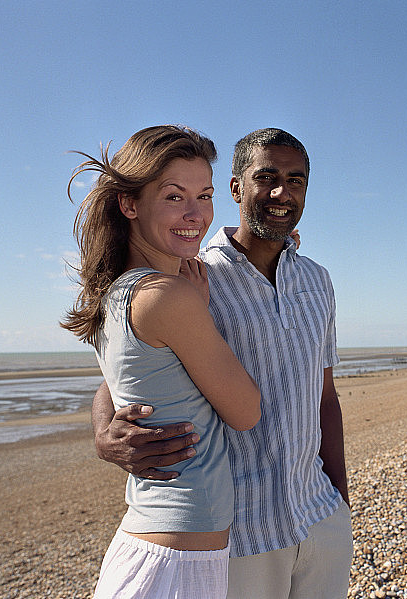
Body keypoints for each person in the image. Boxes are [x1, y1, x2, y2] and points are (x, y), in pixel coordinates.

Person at [92, 128, 353, 598]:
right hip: (240, 539)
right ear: (236, 188)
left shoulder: (318, 280)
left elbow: (325, 396)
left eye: (296, 181)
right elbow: (120, 376)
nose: (281, 192)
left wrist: (341, 502)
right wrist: (103, 433)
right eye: (266, 177)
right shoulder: (192, 274)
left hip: (320, 517)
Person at [62, 125, 262, 599]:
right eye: (175, 197)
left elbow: (119, 382)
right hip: (174, 559)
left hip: (160, 544)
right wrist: (198, 308)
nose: (196, 215)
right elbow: (246, 411)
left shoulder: (117, 291)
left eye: (205, 195)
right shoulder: (168, 296)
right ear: (129, 204)